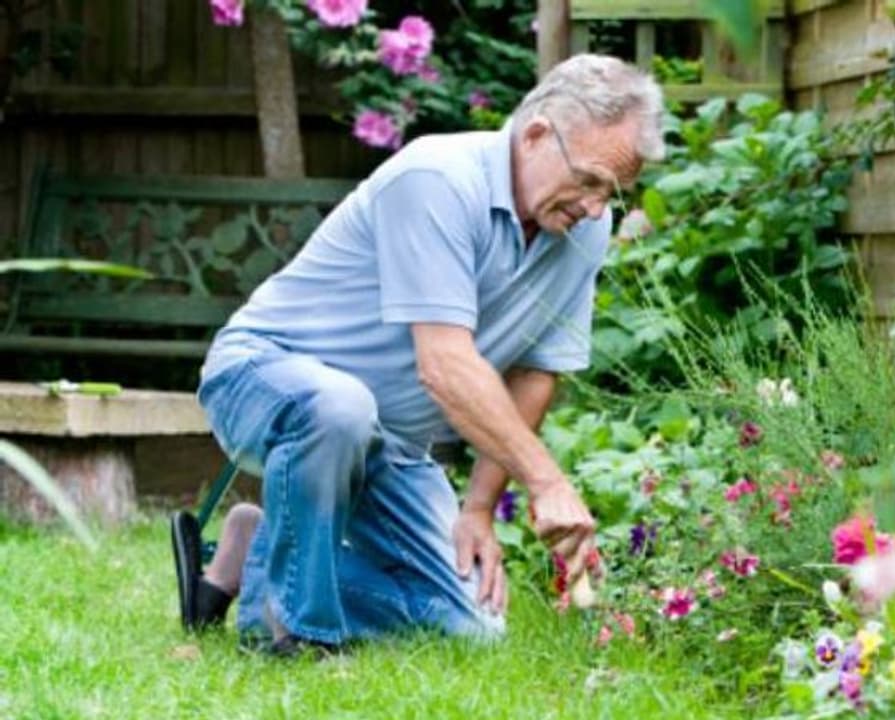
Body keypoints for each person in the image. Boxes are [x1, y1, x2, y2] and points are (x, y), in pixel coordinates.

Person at [169, 54, 666, 655]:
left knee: (472, 628)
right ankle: (303, 636)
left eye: (611, 192)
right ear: (535, 134)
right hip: (263, 376)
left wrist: (479, 508)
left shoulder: (583, 227)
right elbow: (445, 365)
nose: (595, 207)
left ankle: (253, 556)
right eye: (588, 180)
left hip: (393, 442)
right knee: (339, 406)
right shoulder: (437, 178)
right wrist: (546, 482)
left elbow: (537, 369)